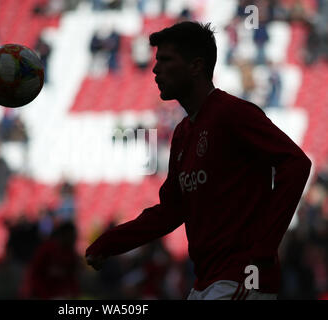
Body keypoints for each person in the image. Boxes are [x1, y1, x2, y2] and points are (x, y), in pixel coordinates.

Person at [85, 21, 312, 300]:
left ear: (195, 66)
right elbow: (171, 211)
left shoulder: (233, 113)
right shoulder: (182, 134)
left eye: (166, 60)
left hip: (243, 279)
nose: (155, 69)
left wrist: (264, 249)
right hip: (206, 282)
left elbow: (296, 163)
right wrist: (111, 242)